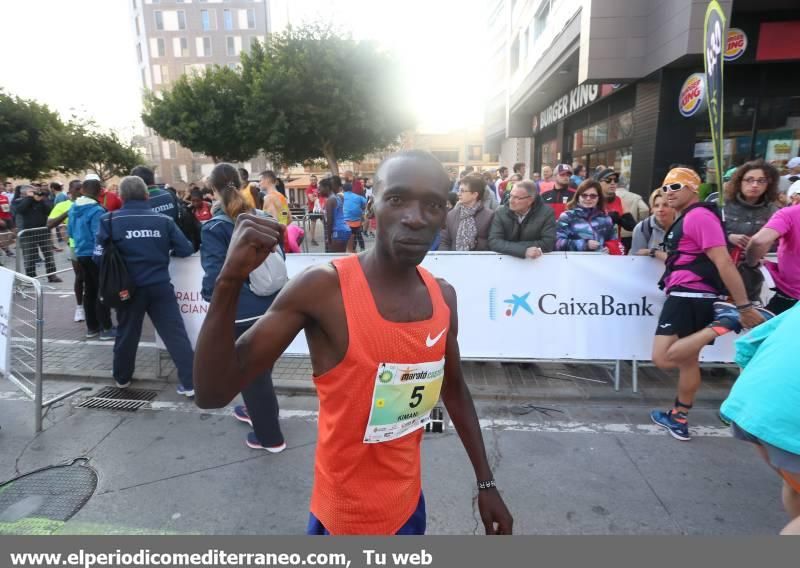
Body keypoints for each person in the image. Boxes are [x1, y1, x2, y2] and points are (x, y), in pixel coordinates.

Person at [193, 150, 513, 535]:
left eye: (432, 204)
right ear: (372, 203)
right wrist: (229, 280)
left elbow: (455, 389)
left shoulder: (443, 297)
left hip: (408, 505)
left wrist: (486, 482)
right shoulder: (323, 288)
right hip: (342, 516)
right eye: (397, 199)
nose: (415, 217)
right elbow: (212, 393)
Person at [648, 167, 769, 442]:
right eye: (665, 187)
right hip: (691, 295)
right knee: (689, 361)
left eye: (676, 186)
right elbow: (686, 256)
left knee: (664, 358)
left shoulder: (699, 216)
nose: (668, 192)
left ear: (693, 188)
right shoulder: (691, 217)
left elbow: (723, 261)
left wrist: (743, 307)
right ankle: (679, 418)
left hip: (688, 297)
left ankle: (723, 324)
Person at [200, 164, 286, 451]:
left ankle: (269, 437)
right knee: (261, 366)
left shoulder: (215, 227)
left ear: (212, 190)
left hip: (243, 309)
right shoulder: (261, 216)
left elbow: (214, 275)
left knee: (251, 374)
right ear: (240, 183)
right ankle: (255, 411)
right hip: (275, 303)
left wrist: (209, 296)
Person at [94, 176, 195, 395]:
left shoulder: (109, 220)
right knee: (175, 334)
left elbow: (98, 257)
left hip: (127, 289)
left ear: (120, 197)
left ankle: (122, 378)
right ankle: (190, 383)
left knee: (127, 333)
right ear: (147, 196)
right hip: (160, 285)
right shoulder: (163, 221)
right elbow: (186, 249)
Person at [719, 305, 800, 535]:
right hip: (788, 421)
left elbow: (747, 345)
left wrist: (760, 402)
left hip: (750, 408)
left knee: (794, 487)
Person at [723, 160, 780, 303]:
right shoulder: (722, 204)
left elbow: (779, 244)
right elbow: (704, 235)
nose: (755, 185)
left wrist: (756, 250)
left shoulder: (774, 211)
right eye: (749, 180)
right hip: (720, 271)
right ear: (739, 181)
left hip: (751, 277)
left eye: (761, 181)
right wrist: (728, 237)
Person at [743, 180, 800, 315]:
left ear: (794, 197)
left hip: (791, 298)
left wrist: (752, 262)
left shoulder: (789, 214)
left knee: (764, 332)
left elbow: (759, 241)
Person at [68, 178, 113, 339]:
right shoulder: (97, 210)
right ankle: (106, 327)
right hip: (95, 254)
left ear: (82, 190)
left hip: (80, 253)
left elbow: (71, 232)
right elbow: (99, 235)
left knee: (89, 290)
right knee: (102, 289)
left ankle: (91, 327)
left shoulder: (73, 208)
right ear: (99, 191)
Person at [488, 180, 555, 259]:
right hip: (505, 263)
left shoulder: (546, 213)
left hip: (535, 264)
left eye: (516, 197)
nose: (511, 200)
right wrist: (523, 250)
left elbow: (548, 243)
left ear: (530, 200)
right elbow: (494, 242)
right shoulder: (501, 212)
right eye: (511, 195)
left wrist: (509, 246)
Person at [48, 180, 84, 322]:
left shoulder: (91, 203)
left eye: (82, 188)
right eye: (77, 189)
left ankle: (97, 305)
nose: (80, 191)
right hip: (76, 245)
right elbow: (49, 224)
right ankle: (79, 308)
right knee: (80, 277)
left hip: (93, 246)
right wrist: (68, 213)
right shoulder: (63, 205)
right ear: (70, 190)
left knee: (95, 277)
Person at [555, 180, 619, 253]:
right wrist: (584, 244)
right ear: (578, 197)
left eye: (593, 196)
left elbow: (615, 242)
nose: (588, 198)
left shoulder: (605, 219)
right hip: (573, 262)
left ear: (599, 198)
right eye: (584, 195)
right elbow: (557, 243)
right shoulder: (567, 217)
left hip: (600, 262)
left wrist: (610, 248)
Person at [15, 184, 61, 282]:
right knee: (29, 257)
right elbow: (20, 210)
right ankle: (31, 277)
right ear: (24, 193)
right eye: (32, 191)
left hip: (43, 231)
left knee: (49, 254)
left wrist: (41, 199)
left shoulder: (41, 201)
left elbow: (50, 211)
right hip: (27, 234)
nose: (35, 192)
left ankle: (52, 275)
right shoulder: (19, 201)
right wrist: (29, 198)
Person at [439, 175, 495, 251]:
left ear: (474, 195)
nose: (458, 194)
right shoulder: (451, 215)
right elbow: (444, 242)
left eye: (462, 191)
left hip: (480, 261)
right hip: (454, 260)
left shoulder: (489, 216)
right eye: (459, 190)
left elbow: (492, 244)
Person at [594, 168, 637, 253]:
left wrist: (623, 220)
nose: (613, 183)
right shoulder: (593, 199)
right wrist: (607, 219)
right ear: (599, 183)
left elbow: (632, 227)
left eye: (615, 180)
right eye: (608, 180)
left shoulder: (619, 200)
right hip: (596, 246)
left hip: (614, 247)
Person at [631, 188, 675, 255]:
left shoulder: (683, 226)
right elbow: (636, 258)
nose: (660, 209)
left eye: (665, 205)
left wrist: (652, 252)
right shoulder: (642, 228)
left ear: (674, 207)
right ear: (651, 209)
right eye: (656, 206)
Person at [321, 177, 350, 253]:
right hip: (344, 229)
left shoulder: (330, 200)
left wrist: (329, 237)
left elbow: (330, 220)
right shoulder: (337, 197)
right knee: (341, 257)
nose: (319, 191)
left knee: (335, 258)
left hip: (337, 232)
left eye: (320, 188)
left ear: (327, 188)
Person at [343, 181, 367, 253]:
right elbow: (366, 203)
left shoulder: (341, 196)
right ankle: (362, 248)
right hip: (356, 221)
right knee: (358, 235)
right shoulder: (358, 197)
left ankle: (353, 251)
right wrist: (362, 210)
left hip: (346, 222)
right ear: (351, 189)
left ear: (343, 189)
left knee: (350, 239)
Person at [306, 175, 321, 245]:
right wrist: (318, 197)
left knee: (326, 222)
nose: (313, 181)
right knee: (313, 224)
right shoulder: (309, 189)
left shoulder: (319, 188)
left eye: (314, 179)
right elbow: (311, 199)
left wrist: (316, 196)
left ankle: (327, 237)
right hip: (312, 209)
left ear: (317, 180)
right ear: (310, 181)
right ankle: (312, 239)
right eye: (311, 180)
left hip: (320, 208)